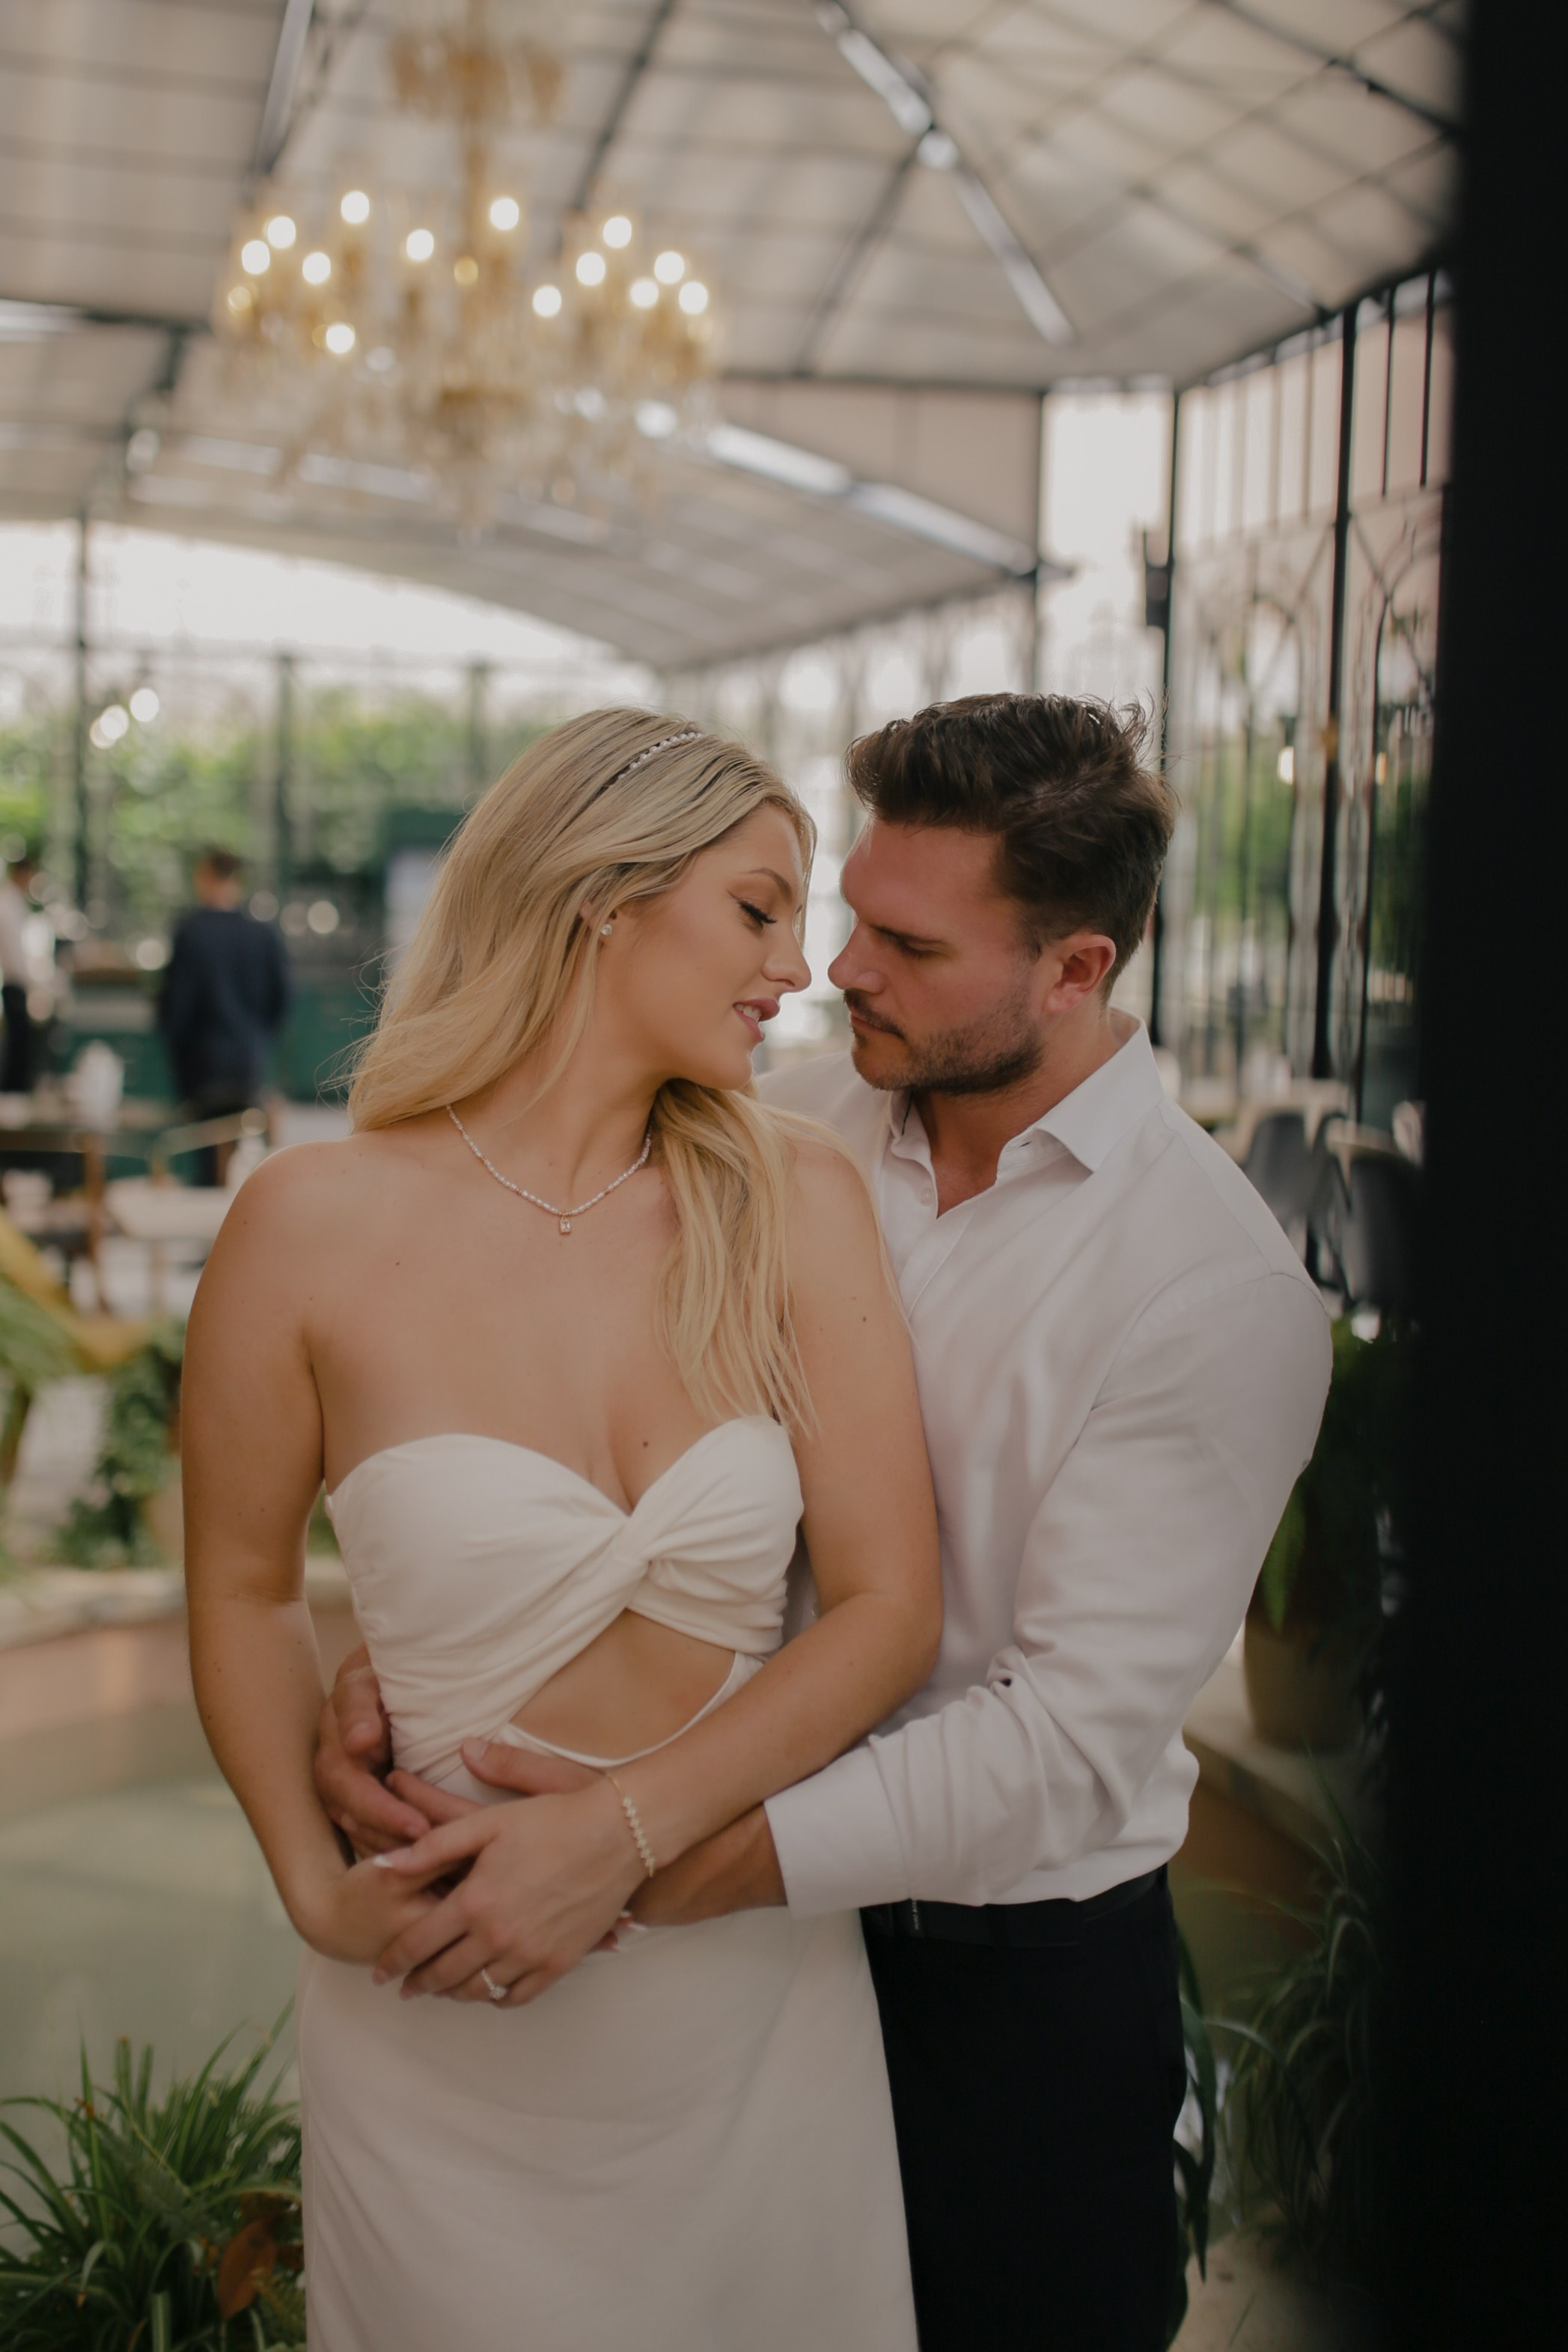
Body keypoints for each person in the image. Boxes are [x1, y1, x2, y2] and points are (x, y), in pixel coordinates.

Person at [320, 694, 1332, 2351]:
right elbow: (562, 1419)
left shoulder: (1209, 1296)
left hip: (995, 1993)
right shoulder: (766, 1114)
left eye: (910, 944)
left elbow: (1063, 1745)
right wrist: (433, 1651)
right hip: (714, 1961)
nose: (839, 966)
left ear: (1075, 971)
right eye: (848, 909)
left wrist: (628, 1856)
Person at [183, 711, 941, 2352]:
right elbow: (244, 1594)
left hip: (749, 2007)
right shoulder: (306, 1224)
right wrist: (313, 1891)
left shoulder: (794, 1195)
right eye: (756, 907)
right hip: (436, 2008)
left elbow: (888, 1609)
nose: (797, 965)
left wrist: (628, 1829)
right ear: (602, 894)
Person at [158, 848, 290, 1163]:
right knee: (243, 1156)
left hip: (202, 1066)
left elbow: (178, 1006)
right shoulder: (262, 935)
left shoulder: (191, 933)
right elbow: (282, 999)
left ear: (204, 876)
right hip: (248, 1063)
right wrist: (258, 1039)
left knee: (206, 1155)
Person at [0, 847, 50, 1094]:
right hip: (15, 984)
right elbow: (15, 956)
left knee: (22, 1048)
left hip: (19, 984)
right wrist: (34, 986)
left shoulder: (16, 904)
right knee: (18, 1049)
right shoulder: (7, 906)